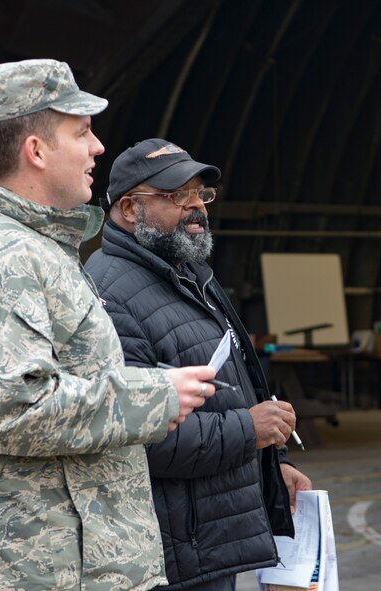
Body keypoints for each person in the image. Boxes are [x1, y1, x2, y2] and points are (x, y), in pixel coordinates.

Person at [0, 60, 216, 591]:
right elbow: (12, 409)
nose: (98, 148)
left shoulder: (39, 248)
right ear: (36, 151)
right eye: (81, 132)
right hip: (42, 571)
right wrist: (155, 397)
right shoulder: (3, 254)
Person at [86, 138, 313, 591]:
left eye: (200, 195)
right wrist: (250, 430)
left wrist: (274, 461)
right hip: (169, 554)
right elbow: (135, 439)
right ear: (131, 209)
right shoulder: (108, 294)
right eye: (178, 196)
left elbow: (235, 381)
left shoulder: (191, 275)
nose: (197, 208)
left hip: (208, 540)